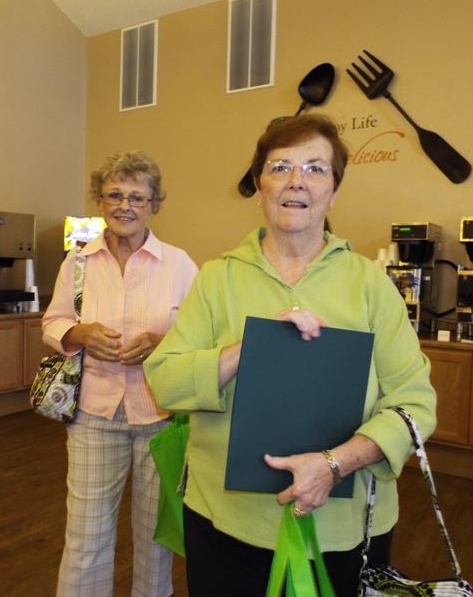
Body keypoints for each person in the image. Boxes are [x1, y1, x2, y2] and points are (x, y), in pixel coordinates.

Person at [144, 114, 437, 596]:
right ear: (260, 186)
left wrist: (336, 464)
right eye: (280, 167)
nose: (296, 181)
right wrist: (249, 350)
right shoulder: (217, 279)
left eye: (315, 168)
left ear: (334, 191)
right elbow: (165, 382)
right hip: (226, 524)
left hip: (343, 531)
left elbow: (416, 406)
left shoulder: (371, 286)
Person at [42, 151, 198, 597]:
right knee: (85, 537)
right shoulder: (78, 262)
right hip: (94, 415)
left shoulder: (180, 264)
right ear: (99, 201)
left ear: (154, 204)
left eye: (137, 197)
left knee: (154, 541)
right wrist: (81, 333)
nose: (124, 205)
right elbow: (52, 322)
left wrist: (160, 342)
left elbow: (202, 334)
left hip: (160, 417)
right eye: (114, 195)